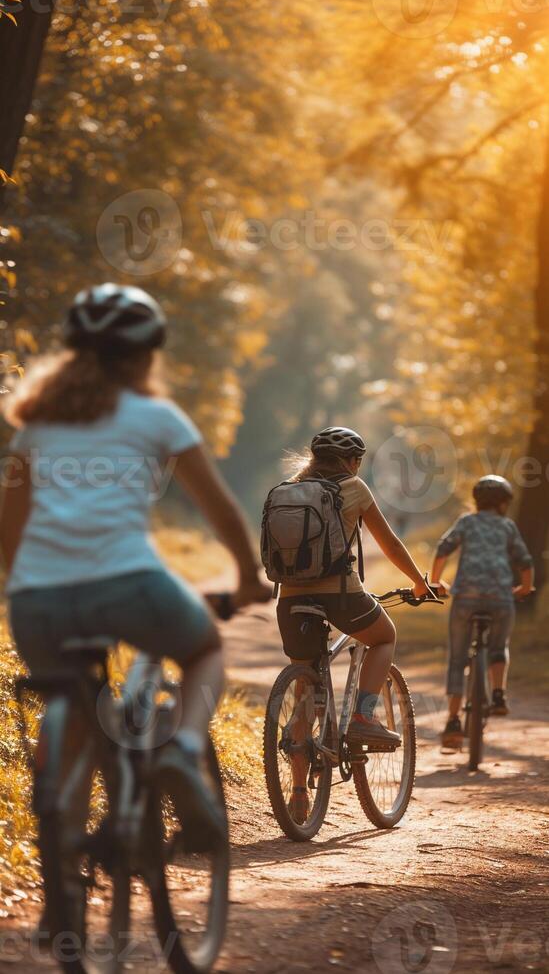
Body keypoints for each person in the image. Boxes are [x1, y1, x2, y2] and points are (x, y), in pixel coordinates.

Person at [0, 283, 271, 844]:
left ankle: (63, 890)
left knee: (72, 719)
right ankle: (184, 750)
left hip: (36, 602)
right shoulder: (157, 417)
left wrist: (31, 580)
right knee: (203, 650)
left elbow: (10, 530)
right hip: (129, 584)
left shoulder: (36, 428)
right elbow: (219, 507)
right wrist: (247, 575)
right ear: (147, 354)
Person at [275, 427, 431, 764]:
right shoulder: (353, 488)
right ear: (352, 462)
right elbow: (389, 543)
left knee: (305, 691)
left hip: (288, 601)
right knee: (384, 636)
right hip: (340, 595)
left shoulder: (288, 489)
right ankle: (362, 717)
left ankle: (299, 796)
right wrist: (420, 582)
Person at [431, 475, 534, 749]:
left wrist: (435, 582)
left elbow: (443, 549)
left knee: (457, 658)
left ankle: (453, 723)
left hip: (465, 597)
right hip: (500, 598)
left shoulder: (467, 522)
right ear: (504, 504)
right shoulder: (507, 526)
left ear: (477, 501)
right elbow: (525, 561)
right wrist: (524, 588)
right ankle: (498, 694)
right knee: (499, 648)